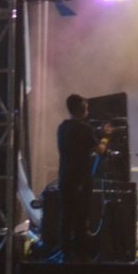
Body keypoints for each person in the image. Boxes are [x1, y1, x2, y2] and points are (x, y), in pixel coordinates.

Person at [54, 92, 98, 261]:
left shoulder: (62, 127)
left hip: (65, 178)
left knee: (66, 217)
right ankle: (81, 254)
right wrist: (106, 137)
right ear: (81, 110)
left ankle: (65, 253)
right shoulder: (84, 128)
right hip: (81, 181)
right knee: (81, 218)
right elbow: (98, 149)